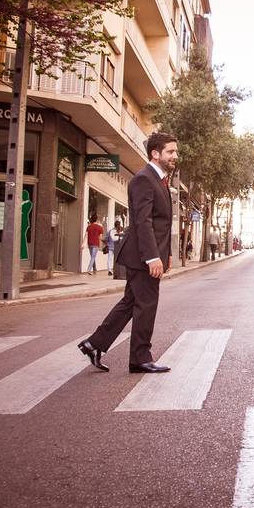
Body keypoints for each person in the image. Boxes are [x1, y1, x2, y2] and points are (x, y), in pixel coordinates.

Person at [77, 133, 178, 374]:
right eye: (170, 151)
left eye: (176, 151)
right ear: (155, 153)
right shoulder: (144, 179)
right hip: (142, 256)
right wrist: (153, 257)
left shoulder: (160, 180)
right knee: (147, 305)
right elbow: (143, 222)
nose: (175, 155)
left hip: (147, 254)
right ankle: (139, 358)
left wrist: (167, 255)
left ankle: (94, 344)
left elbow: (161, 224)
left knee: (130, 302)